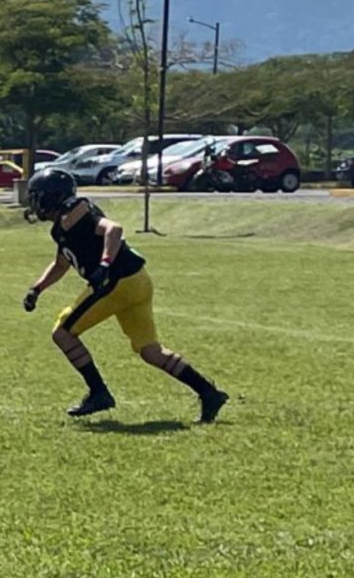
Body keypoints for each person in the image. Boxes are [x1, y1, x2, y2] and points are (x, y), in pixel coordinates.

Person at [24, 166, 228, 423]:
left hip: (117, 281)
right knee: (149, 350)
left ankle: (99, 392)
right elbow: (61, 264)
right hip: (137, 281)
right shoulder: (63, 225)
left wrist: (105, 265)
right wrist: (37, 288)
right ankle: (209, 393)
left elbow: (114, 229)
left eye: (37, 196)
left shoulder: (77, 213)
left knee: (63, 332)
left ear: (49, 197)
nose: (34, 203)